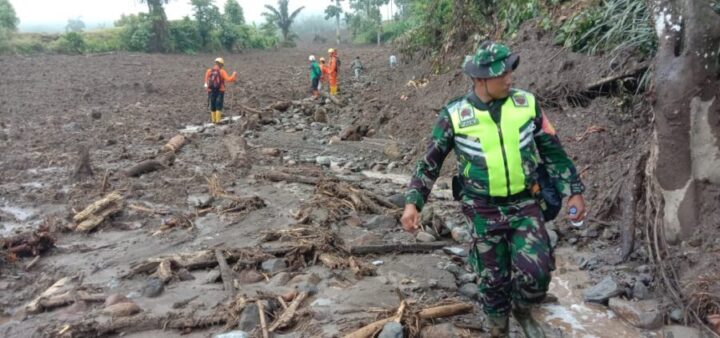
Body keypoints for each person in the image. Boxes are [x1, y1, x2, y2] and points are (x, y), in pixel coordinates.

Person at [400, 41, 587, 338]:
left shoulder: (527, 105)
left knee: (538, 271)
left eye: (510, 72)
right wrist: (413, 203)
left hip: (526, 204)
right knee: (493, 280)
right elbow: (429, 163)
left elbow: (553, 151)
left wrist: (573, 190)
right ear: (479, 79)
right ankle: (498, 330)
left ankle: (523, 310)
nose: (509, 79)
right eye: (501, 75)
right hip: (482, 209)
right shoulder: (455, 115)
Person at [204, 57, 237, 124]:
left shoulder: (209, 71)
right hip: (220, 90)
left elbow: (206, 82)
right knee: (219, 105)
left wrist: (208, 90)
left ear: (215, 63)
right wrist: (234, 74)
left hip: (211, 91)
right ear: (221, 64)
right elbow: (229, 79)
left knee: (213, 105)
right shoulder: (222, 71)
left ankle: (213, 121)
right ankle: (218, 121)